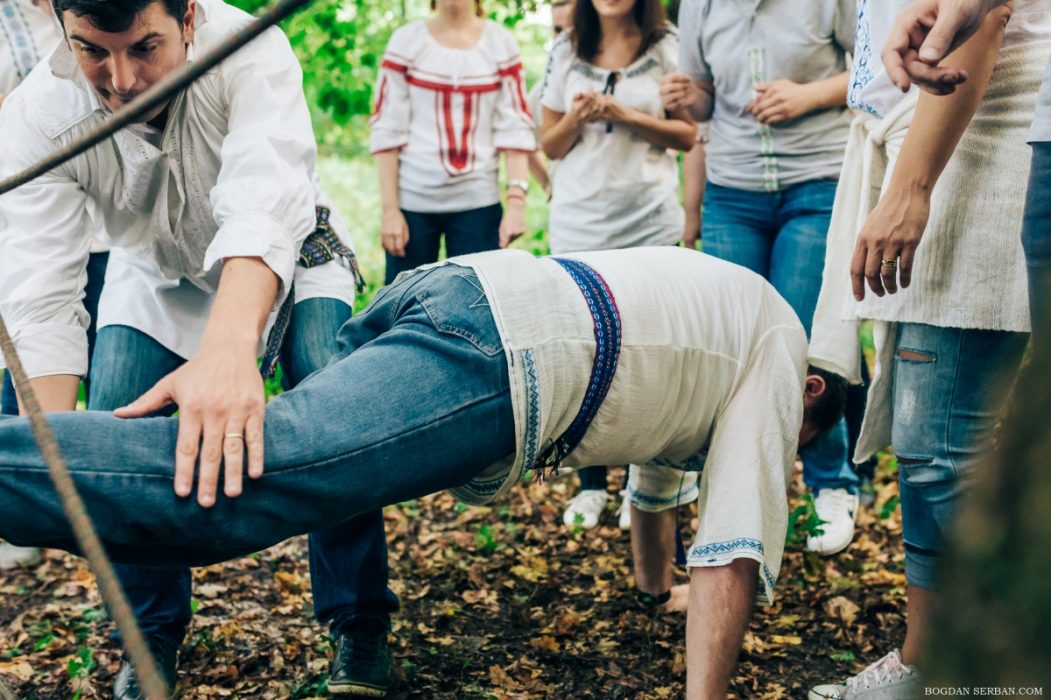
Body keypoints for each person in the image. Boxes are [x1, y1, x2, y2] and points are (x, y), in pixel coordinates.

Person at [0, 246, 848, 699]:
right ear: (809, 390)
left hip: (464, 297)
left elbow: (662, 489)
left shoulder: (728, 331)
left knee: (306, 470)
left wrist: (652, 588)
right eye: (801, 434)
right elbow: (732, 547)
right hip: (499, 347)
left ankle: (355, 629)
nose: (787, 446)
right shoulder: (778, 356)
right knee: (240, 492)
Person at [0, 0, 398, 696]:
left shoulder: (250, 48)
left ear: (187, 18)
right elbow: (43, 297)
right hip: (151, 271)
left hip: (288, 252)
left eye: (144, 47)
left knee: (331, 409)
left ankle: (358, 624)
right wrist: (50, 461)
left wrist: (228, 353)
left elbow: (264, 207)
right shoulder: (36, 116)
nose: (121, 80)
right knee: (116, 429)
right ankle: (148, 640)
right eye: (93, 50)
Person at [805, 0, 1050, 696]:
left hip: (970, 151)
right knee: (922, 451)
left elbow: (987, 15)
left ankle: (1010, 659)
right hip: (934, 147)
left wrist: (911, 187)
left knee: (939, 451)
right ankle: (928, 663)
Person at [660, 0, 864, 555]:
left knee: (798, 343)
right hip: (733, 193)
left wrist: (808, 94)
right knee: (733, 347)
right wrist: (687, 98)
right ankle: (734, 495)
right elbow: (704, 101)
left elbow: (875, 69)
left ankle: (833, 486)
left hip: (818, 183)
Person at [539, 0, 696, 530]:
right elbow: (549, 144)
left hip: (648, 220)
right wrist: (581, 116)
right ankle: (589, 484)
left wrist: (626, 114)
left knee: (648, 351)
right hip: (579, 224)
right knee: (585, 355)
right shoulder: (564, 49)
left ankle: (643, 484)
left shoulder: (668, 46)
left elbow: (686, 135)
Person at [370, 0, 535, 286]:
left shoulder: (501, 43)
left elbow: (514, 127)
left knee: (477, 308)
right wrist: (390, 211)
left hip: (479, 204)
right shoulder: (407, 41)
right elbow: (387, 129)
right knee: (405, 307)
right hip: (413, 207)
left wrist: (516, 203)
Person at [525, 0, 573, 197]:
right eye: (558, 30)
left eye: (571, 29)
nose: (564, 39)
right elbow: (525, 144)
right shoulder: (541, 91)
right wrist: (548, 185)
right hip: (572, 208)